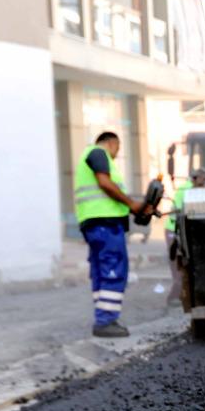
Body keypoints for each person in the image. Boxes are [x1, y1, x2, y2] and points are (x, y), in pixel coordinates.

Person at [74, 131, 148, 338]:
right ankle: (106, 321)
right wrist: (132, 204)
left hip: (94, 224)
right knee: (114, 268)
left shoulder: (88, 156)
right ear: (113, 143)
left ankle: (103, 317)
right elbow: (105, 184)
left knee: (101, 270)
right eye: (118, 148)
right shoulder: (98, 152)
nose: (116, 154)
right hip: (105, 223)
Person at [166, 167, 205, 306]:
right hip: (174, 230)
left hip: (177, 230)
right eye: (203, 180)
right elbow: (183, 213)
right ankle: (173, 299)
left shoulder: (190, 189)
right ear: (195, 179)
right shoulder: (188, 190)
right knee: (178, 266)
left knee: (181, 265)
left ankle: (179, 297)